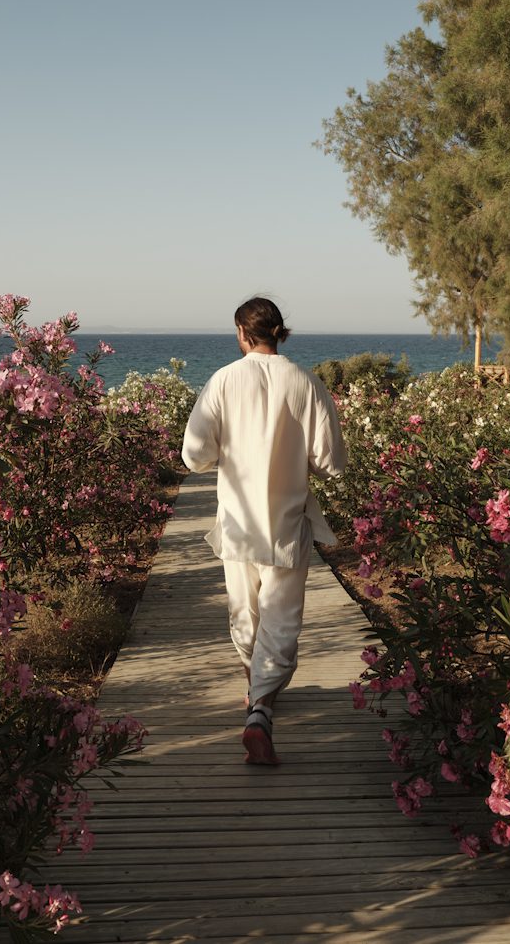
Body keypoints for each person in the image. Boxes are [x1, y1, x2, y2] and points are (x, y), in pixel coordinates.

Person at [181, 297, 346, 765]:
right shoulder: (305, 382)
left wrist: (222, 455)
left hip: (236, 522)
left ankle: (255, 697)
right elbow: (332, 463)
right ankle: (260, 709)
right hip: (287, 524)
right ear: (280, 332)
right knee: (281, 619)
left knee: (244, 614)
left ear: (241, 331)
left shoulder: (223, 381)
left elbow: (194, 455)